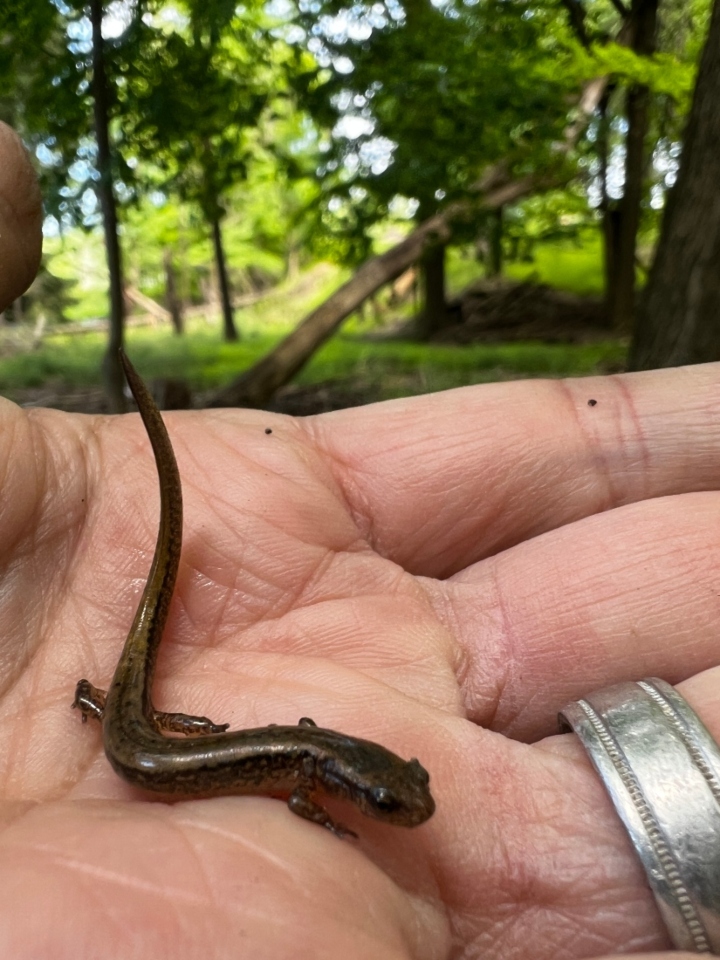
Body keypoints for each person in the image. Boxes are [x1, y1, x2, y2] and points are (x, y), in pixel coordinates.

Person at [0, 119, 711, 959]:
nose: (404, 808)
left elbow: (302, 764)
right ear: (338, 772)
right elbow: (300, 786)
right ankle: (99, 703)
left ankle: (100, 703)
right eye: (386, 799)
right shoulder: (308, 773)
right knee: (142, 715)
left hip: (143, 738)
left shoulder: (312, 764)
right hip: (139, 754)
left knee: (140, 706)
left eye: (393, 794)